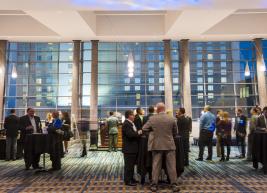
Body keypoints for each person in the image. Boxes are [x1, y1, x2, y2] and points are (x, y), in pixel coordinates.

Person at [142, 103, 180, 192]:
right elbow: (175, 132)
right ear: (164, 109)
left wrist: (151, 135)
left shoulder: (152, 118)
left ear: (157, 109)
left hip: (156, 145)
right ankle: (174, 185)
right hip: (169, 145)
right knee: (171, 166)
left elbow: (144, 129)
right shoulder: (172, 118)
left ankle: (154, 185)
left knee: (156, 166)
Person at [122, 110, 142, 186]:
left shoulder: (130, 123)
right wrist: (139, 132)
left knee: (131, 165)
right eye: (133, 115)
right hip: (129, 149)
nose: (134, 116)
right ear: (129, 116)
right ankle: (127, 181)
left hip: (132, 148)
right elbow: (130, 135)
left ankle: (131, 178)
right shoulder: (126, 124)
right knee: (128, 166)